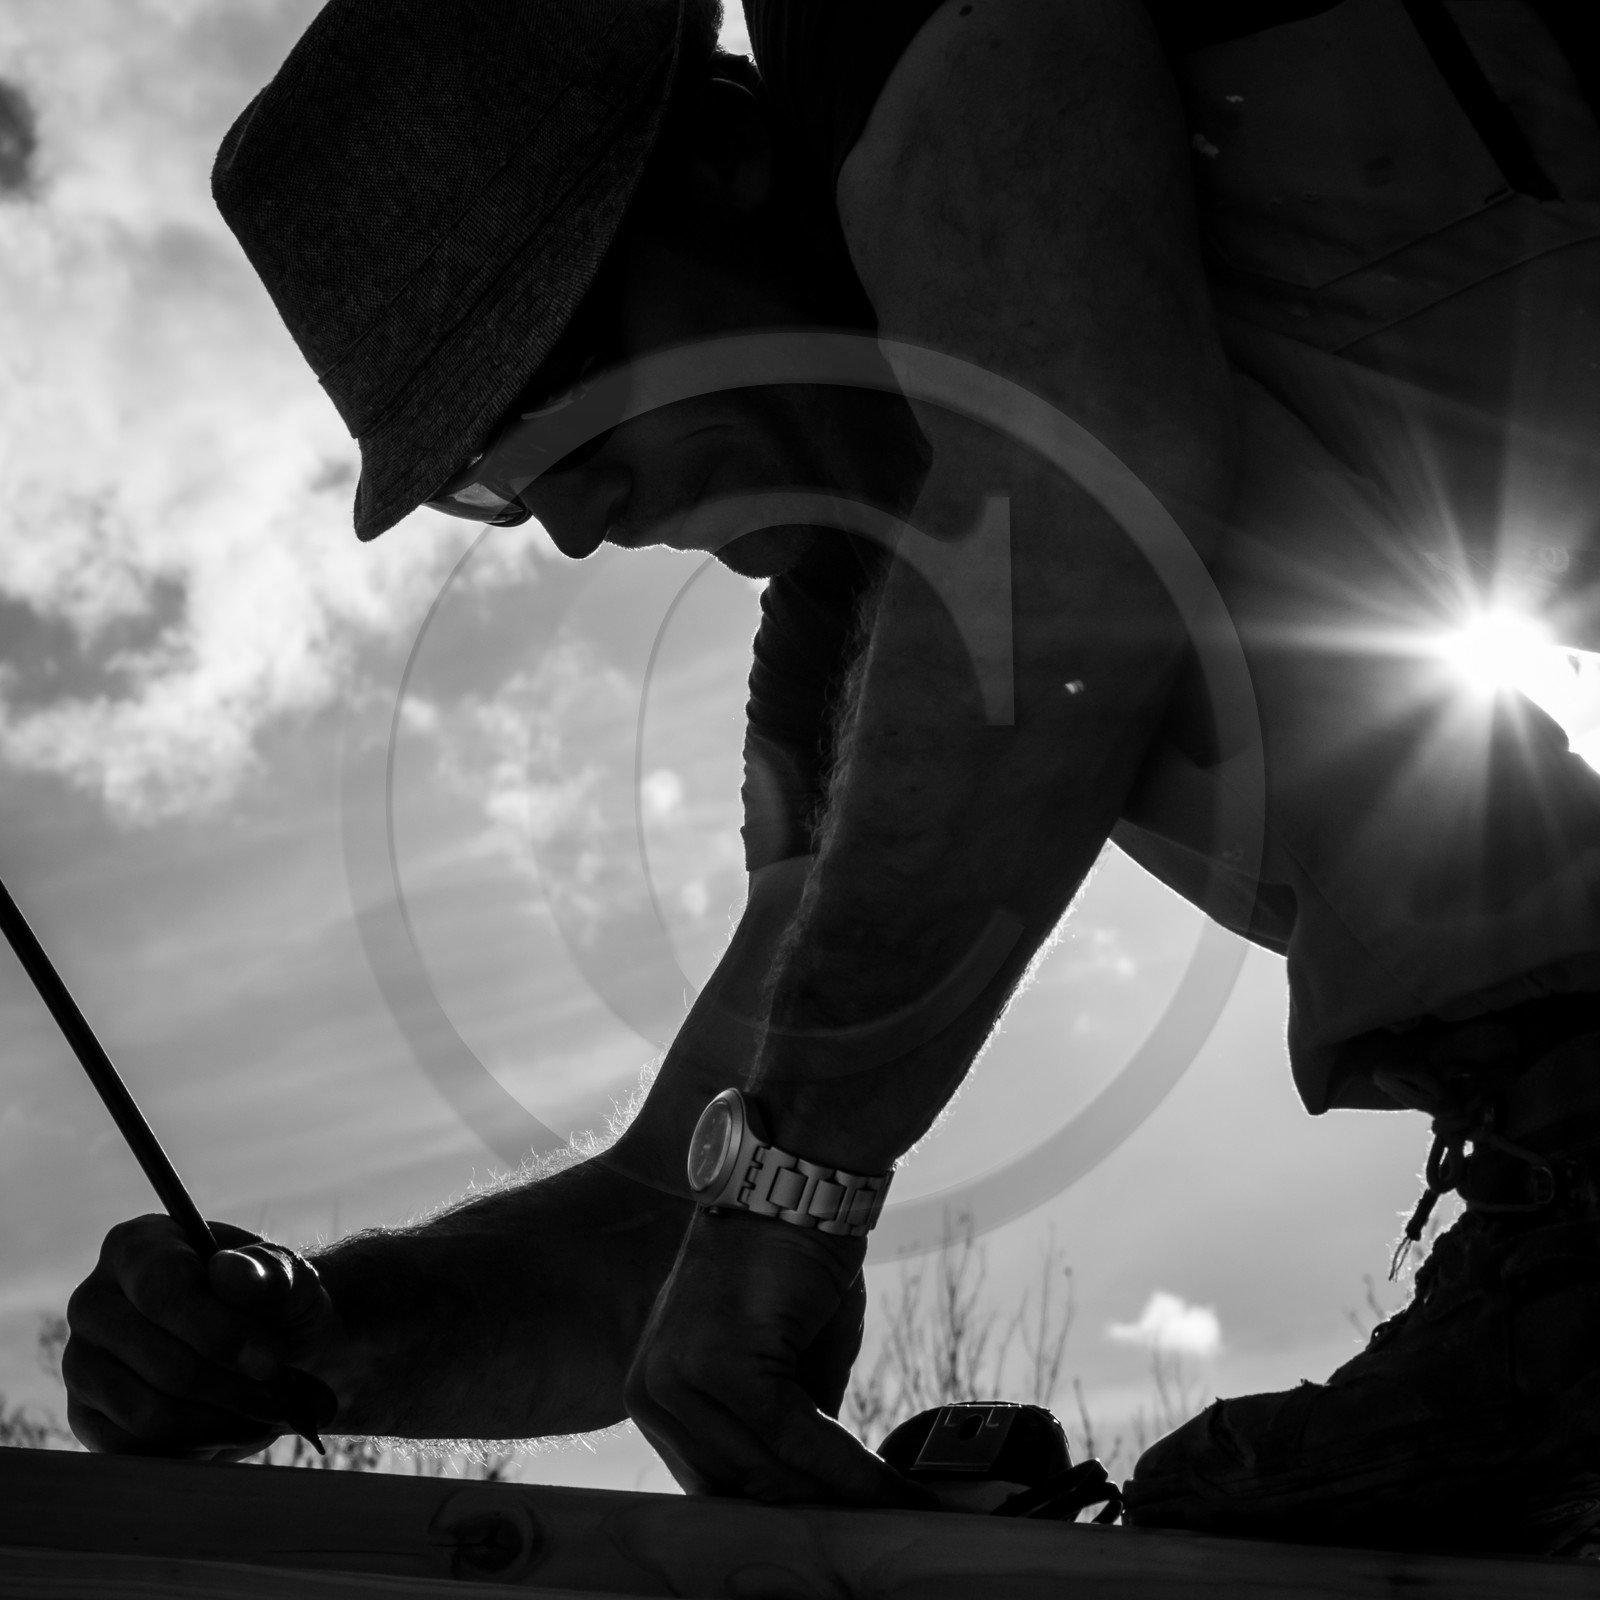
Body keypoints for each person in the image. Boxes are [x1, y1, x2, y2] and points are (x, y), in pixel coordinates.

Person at [62, 0, 1600, 1555]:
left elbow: (1083, 495)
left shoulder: (872, 21)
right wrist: (310, 1336)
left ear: (725, 155)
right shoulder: (860, 635)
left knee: (1056, 522)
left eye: (552, 392)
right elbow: (679, 1228)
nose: (577, 518)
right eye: (492, 486)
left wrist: (801, 1183)